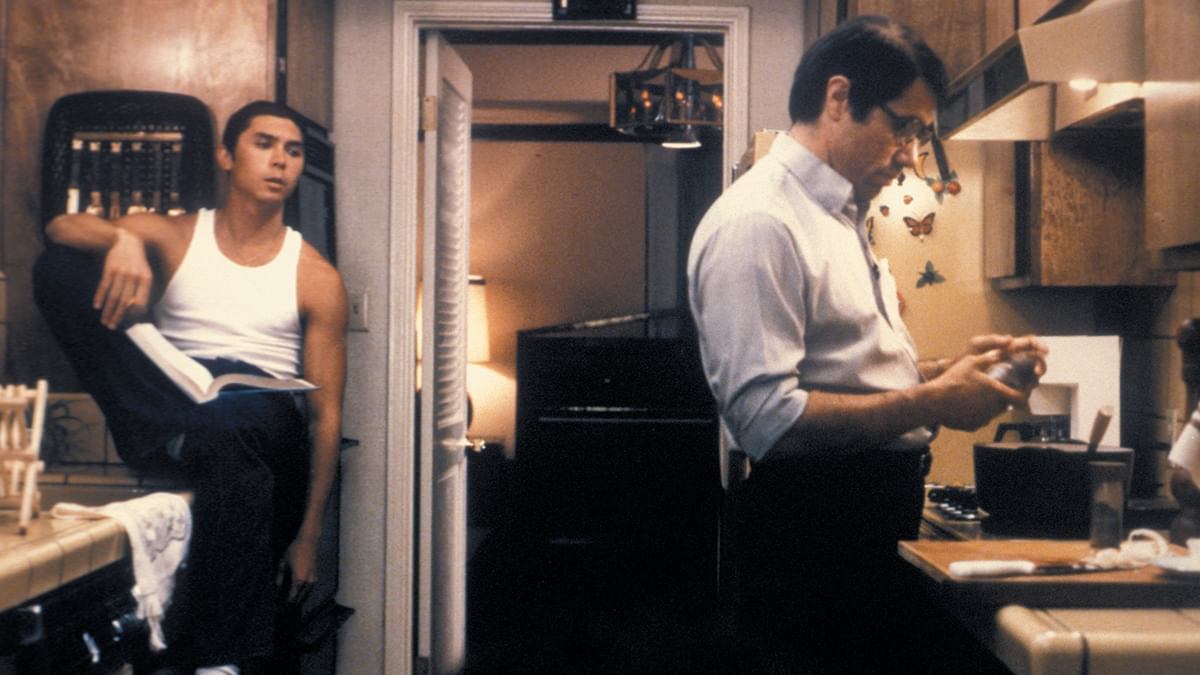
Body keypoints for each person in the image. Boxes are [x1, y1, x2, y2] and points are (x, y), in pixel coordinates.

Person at [686, 16, 1047, 673]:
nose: (910, 155)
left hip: (858, 525)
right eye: (903, 127)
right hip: (813, 541)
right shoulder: (761, 221)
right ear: (838, 97)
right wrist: (933, 399)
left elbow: (848, 373)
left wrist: (953, 372)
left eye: (919, 136)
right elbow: (769, 420)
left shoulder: (837, 216)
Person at [34, 100, 347, 674]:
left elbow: (326, 418)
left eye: (293, 151)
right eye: (264, 144)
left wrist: (308, 536)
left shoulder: (315, 276)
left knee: (237, 428)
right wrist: (122, 242)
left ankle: (218, 661)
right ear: (227, 156)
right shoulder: (176, 233)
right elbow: (59, 227)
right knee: (58, 266)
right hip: (174, 393)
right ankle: (180, 434)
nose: (281, 160)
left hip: (263, 417)